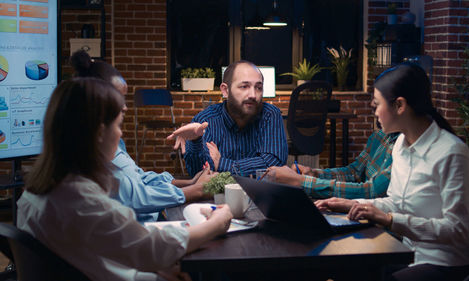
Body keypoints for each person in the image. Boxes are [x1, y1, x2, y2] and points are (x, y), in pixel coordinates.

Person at [17, 78, 233, 280]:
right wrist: (216, 224)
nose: (120, 134)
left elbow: (101, 253)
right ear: (100, 132)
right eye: (118, 125)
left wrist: (151, 272)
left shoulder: (39, 191)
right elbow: (150, 248)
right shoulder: (81, 200)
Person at [315, 63, 469, 280]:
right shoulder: (401, 145)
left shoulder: (452, 153)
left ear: (400, 105)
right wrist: (355, 205)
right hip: (408, 253)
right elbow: (397, 202)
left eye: (377, 105)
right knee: (341, 266)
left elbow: (458, 230)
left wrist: (390, 220)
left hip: (447, 263)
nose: (374, 113)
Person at [70, 50, 212, 223]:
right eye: (118, 100)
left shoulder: (111, 142)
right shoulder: (90, 159)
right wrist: (197, 189)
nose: (125, 108)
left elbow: (138, 178)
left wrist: (189, 183)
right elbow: (136, 197)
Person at [168, 60, 288, 177]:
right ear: (225, 90)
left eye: (258, 88)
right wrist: (195, 142)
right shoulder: (205, 120)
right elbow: (199, 173)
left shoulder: (270, 115)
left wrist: (222, 164)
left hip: (260, 195)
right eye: (244, 86)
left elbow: (274, 164)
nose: (253, 95)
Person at [268, 129, 399, 199]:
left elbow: (372, 191)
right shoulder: (379, 135)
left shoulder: (403, 149)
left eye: (377, 102)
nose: (372, 106)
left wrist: (301, 181)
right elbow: (354, 172)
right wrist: (315, 174)